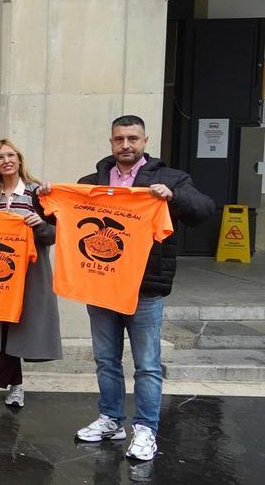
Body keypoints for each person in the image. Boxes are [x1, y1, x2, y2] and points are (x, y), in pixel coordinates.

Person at [43, 115, 214, 460]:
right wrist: (43, 197)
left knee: (147, 363)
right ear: (111, 142)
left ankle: (146, 429)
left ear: (145, 140)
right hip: (101, 284)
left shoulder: (170, 179)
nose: (126, 145)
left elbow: (204, 211)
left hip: (145, 287)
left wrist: (174, 196)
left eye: (132, 139)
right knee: (106, 359)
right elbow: (58, 221)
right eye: (119, 139)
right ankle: (111, 419)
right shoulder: (91, 183)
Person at [0, 139, 60, 412]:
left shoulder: (38, 194)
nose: (5, 160)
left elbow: (56, 235)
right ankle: (15, 385)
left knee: (16, 327)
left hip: (30, 273)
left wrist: (40, 224)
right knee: (2, 327)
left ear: (19, 159)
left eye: (10, 155)